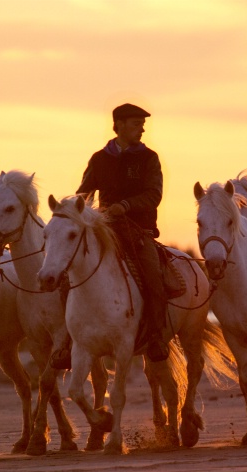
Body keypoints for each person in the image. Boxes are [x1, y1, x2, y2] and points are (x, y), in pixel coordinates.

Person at [75, 103, 169, 361]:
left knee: (154, 278)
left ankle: (157, 336)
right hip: (104, 228)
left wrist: (126, 206)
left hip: (139, 230)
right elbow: (84, 193)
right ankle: (66, 338)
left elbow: (154, 194)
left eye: (142, 124)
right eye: (137, 124)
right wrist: (77, 210)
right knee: (68, 270)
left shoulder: (149, 158)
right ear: (120, 125)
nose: (142, 129)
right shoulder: (99, 159)